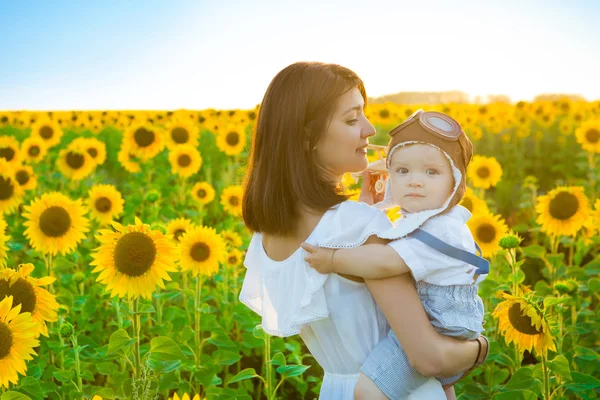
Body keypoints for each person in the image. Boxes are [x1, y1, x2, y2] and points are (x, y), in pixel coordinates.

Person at [239, 61, 488, 400]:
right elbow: (429, 357)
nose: (370, 130)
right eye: (352, 119)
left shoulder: (265, 238)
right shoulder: (357, 225)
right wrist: (480, 346)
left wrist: (363, 211)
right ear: (306, 136)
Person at [302, 109, 489, 399]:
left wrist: (333, 259)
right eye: (402, 171)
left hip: (440, 323)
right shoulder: (429, 220)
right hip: (447, 322)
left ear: (455, 182)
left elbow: (386, 261)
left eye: (432, 172)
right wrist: (369, 205)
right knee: (440, 389)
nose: (415, 181)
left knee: (366, 391)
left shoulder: (443, 229)